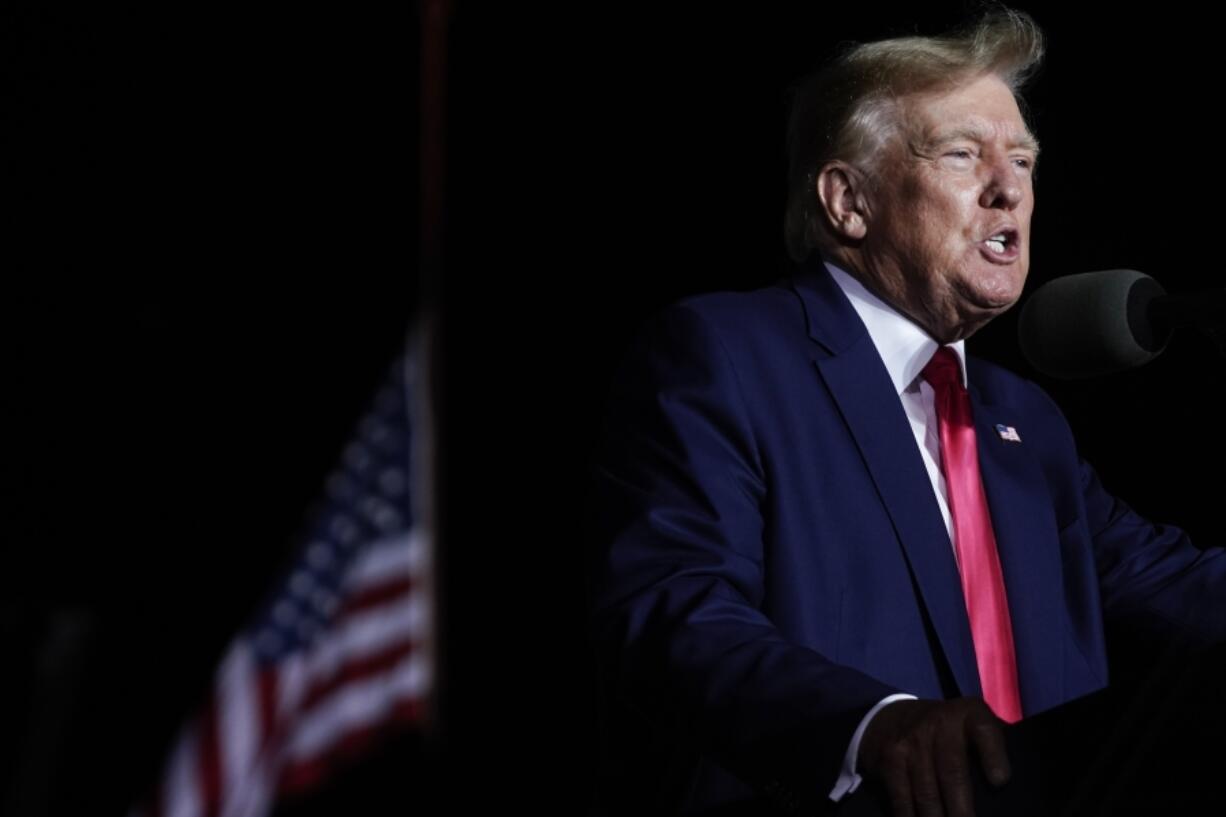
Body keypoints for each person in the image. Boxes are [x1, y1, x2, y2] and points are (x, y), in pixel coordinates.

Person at [586, 8, 1226, 817]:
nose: (1010, 189)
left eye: (1023, 159)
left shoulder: (1024, 422)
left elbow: (1170, 586)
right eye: (963, 153)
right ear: (847, 200)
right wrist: (869, 724)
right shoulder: (728, 356)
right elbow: (673, 608)